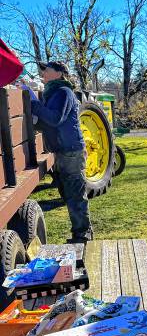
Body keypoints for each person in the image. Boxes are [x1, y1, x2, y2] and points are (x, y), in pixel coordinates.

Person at [31, 61, 93, 244]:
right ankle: (81, 233)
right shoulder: (54, 93)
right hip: (63, 151)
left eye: (47, 69)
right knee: (69, 194)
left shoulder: (63, 92)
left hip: (71, 151)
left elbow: (55, 118)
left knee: (75, 195)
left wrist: (34, 105)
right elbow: (48, 122)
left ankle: (83, 237)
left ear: (59, 74)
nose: (43, 72)